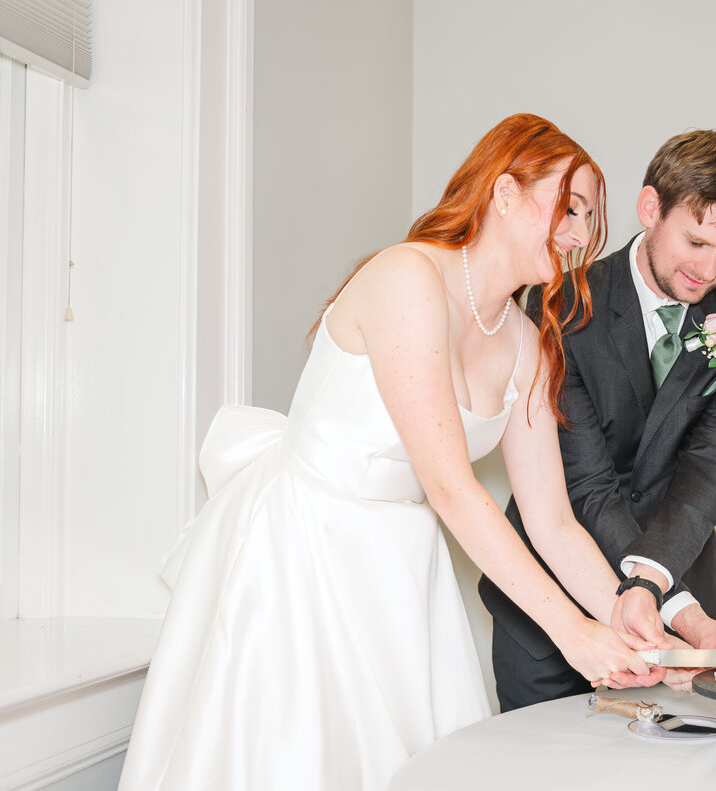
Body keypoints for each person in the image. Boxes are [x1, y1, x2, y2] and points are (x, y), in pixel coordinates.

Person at [118, 113, 661, 790]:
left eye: (589, 219)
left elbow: (552, 520)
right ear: (505, 192)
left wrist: (627, 611)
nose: (581, 236)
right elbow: (451, 487)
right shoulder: (408, 278)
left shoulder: (529, 343)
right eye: (570, 207)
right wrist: (574, 634)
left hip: (402, 571)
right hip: (302, 553)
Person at [481, 129, 716, 711]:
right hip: (553, 606)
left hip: (683, 589)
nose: (708, 269)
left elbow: (713, 460)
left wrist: (671, 598)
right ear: (650, 210)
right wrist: (660, 601)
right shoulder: (557, 304)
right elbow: (588, 484)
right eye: (696, 242)